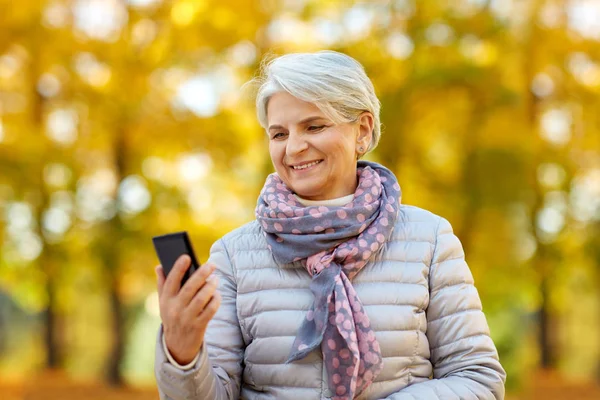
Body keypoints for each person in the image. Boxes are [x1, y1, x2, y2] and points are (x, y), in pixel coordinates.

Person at [154, 50, 506, 400]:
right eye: (278, 134)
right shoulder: (234, 254)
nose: (293, 148)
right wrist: (183, 356)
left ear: (362, 131)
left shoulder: (429, 240)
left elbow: (478, 379)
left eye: (314, 126)